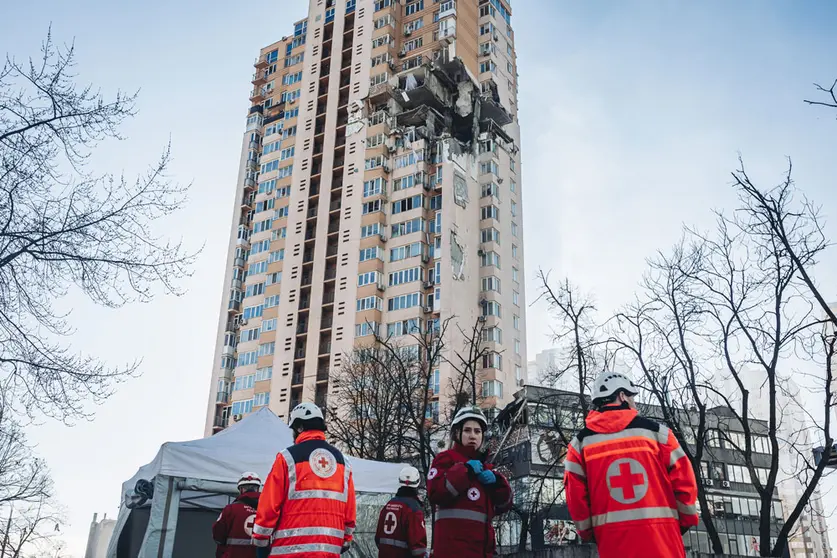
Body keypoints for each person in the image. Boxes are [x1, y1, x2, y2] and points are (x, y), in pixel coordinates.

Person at [563, 371, 699, 558]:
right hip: (663, 541)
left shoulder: (580, 446)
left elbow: (576, 500)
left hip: (612, 544)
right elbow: (685, 484)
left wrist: (590, 533)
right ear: (621, 396)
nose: (635, 403)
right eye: (632, 397)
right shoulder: (658, 434)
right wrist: (681, 522)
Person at [252, 402, 357, 556]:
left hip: (290, 550)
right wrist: (346, 538)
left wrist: (261, 538)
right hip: (329, 551)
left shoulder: (287, 458)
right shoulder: (343, 462)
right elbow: (350, 509)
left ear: (299, 428)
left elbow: (270, 503)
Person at [427, 406, 513, 558]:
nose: (473, 436)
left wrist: (498, 482)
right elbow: (435, 493)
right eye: (467, 430)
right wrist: (465, 471)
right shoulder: (445, 459)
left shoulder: (487, 468)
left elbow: (503, 506)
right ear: (457, 433)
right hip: (452, 552)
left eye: (477, 431)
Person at [375, 466, 429, 558]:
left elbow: (378, 539)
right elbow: (417, 548)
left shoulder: (388, 505)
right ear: (418, 482)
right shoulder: (414, 509)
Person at [212, 472, 262, 558]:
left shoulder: (231, 509)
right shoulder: (268, 510)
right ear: (257, 489)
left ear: (241, 490)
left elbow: (218, 533)